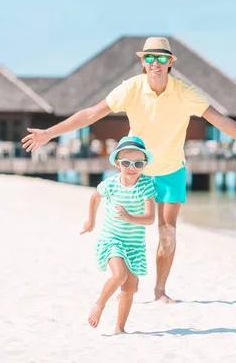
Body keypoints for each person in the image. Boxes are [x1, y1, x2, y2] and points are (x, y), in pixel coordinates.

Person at [22, 37, 236, 303]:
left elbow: (220, 121)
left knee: (167, 231)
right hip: (138, 171)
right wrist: (49, 133)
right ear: (142, 61)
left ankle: (160, 291)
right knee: (128, 228)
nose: (155, 63)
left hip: (172, 171)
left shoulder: (185, 92)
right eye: (149, 58)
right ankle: (128, 283)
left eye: (162, 58)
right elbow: (91, 114)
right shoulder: (131, 88)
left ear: (170, 62)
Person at [81, 136, 157, 332]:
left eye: (138, 163)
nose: (132, 167)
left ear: (144, 164)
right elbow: (94, 198)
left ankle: (119, 328)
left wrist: (130, 217)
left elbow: (150, 218)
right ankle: (100, 304)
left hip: (134, 244)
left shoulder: (146, 185)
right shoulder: (111, 184)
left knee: (129, 289)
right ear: (117, 163)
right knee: (120, 275)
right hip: (111, 239)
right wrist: (91, 221)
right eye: (126, 163)